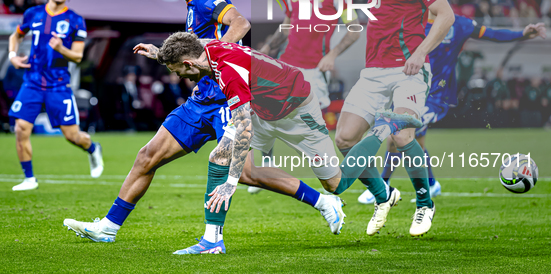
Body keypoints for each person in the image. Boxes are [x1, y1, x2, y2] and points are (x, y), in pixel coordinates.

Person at [63, 0, 347, 253]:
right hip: (201, 101)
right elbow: (193, 50)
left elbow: (240, 24)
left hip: (226, 99)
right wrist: (165, 55)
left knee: (245, 172)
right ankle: (108, 228)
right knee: (147, 156)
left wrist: (214, 59)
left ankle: (312, 205)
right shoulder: (194, 1)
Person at [156, 33, 421, 253]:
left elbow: (244, 129)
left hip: (297, 112)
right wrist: (160, 53)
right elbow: (190, 42)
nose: (178, 76)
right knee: (220, 156)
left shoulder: (229, 75)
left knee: (336, 184)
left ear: (190, 63)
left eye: (175, 69)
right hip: (264, 108)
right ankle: (212, 241)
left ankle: (384, 127)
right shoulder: (207, 48)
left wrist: (230, 183)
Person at [358, 0, 547, 204]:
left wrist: (522, 34)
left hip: (437, 97)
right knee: (412, 141)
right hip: (408, 92)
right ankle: (429, 184)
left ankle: (382, 186)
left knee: (399, 136)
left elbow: (492, 34)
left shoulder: (458, 25)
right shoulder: (410, 22)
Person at [333, 0, 456, 237]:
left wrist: (419, 53)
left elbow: (446, 16)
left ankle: (424, 203)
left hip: (408, 72)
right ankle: (383, 196)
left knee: (401, 136)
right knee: (344, 139)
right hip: (373, 73)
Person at [8, 0, 103, 191]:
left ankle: (93, 148)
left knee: (72, 136)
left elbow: (78, 57)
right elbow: (16, 36)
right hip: (31, 81)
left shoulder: (76, 20)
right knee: (21, 128)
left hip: (58, 85)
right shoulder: (33, 14)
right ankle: (29, 178)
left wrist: (61, 49)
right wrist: (12, 55)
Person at [260, 0, 361, 110]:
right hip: (287, 65)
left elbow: (355, 30)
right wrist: (267, 48)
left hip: (315, 69)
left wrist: (332, 55)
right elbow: (286, 27)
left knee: (309, 126)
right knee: (276, 121)